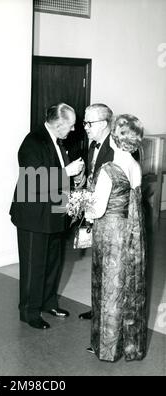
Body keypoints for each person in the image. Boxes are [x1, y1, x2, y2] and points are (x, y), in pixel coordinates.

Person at [10, 103, 85, 329]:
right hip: (34, 215)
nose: (73, 130)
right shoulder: (32, 142)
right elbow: (32, 182)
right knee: (34, 265)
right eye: (70, 126)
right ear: (59, 123)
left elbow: (57, 174)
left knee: (53, 262)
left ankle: (48, 302)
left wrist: (76, 178)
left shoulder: (58, 141)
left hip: (55, 211)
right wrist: (66, 173)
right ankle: (29, 311)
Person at [85, 114, 147, 362]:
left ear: (114, 137)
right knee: (127, 285)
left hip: (110, 233)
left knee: (108, 287)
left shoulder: (108, 169)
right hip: (130, 231)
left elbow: (97, 210)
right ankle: (128, 345)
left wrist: (83, 208)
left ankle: (107, 348)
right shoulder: (135, 165)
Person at [78, 103, 114, 320]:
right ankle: (98, 308)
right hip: (95, 212)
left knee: (111, 267)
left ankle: (108, 312)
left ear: (102, 124)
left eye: (88, 123)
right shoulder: (93, 145)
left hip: (110, 215)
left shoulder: (118, 148)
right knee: (98, 263)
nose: (85, 127)